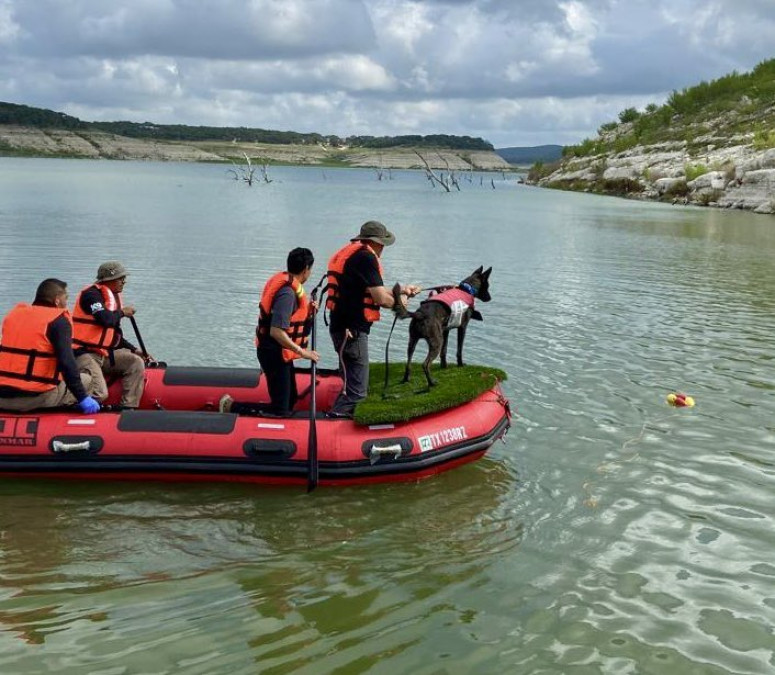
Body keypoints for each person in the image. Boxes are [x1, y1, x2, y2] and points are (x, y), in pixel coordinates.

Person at [326, 220, 421, 418]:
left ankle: (335, 420)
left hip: (341, 328)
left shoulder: (354, 254)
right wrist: (401, 302)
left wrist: (402, 290)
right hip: (352, 332)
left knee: (350, 384)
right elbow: (380, 298)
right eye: (383, 243)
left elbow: (370, 289)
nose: (384, 248)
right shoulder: (367, 259)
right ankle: (333, 424)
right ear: (376, 242)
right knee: (357, 394)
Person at [220, 248, 319, 417]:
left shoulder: (289, 287)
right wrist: (303, 352)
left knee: (290, 398)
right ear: (306, 270)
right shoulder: (287, 293)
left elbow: (291, 320)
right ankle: (230, 407)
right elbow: (276, 331)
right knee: (281, 409)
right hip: (273, 352)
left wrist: (309, 313)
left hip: (281, 352)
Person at [0, 279, 100, 413]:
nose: (67, 303)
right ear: (57, 300)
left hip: (2, 396)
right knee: (87, 380)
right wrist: (82, 397)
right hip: (34, 398)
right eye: (66, 298)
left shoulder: (13, 315)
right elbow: (67, 363)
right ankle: (66, 422)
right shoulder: (58, 321)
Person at [72, 261, 147, 410]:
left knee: (135, 362)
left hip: (103, 354)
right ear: (108, 280)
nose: (124, 282)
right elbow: (105, 319)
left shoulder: (112, 298)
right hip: (83, 354)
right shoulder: (91, 296)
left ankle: (127, 409)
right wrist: (122, 313)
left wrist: (133, 349)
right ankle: (70, 409)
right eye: (121, 278)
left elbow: (113, 336)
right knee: (100, 394)